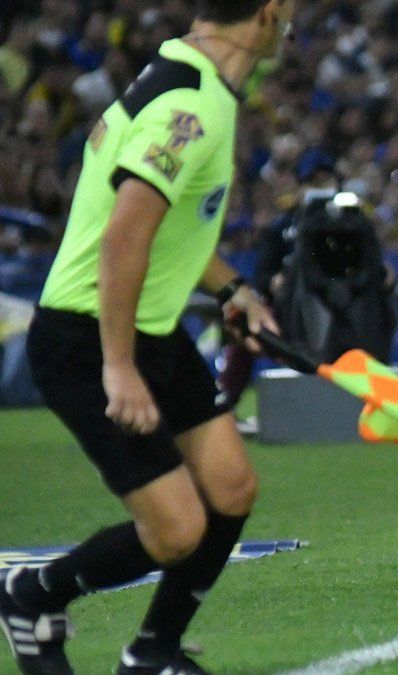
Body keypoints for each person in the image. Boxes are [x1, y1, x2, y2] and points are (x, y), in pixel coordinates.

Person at [0, 1, 293, 673]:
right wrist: (119, 366)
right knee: (177, 529)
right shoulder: (187, 105)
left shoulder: (193, 79)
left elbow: (172, 221)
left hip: (146, 328)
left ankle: (152, 651)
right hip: (88, 336)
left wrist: (230, 288)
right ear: (270, 14)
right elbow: (125, 233)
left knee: (232, 486)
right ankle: (31, 595)